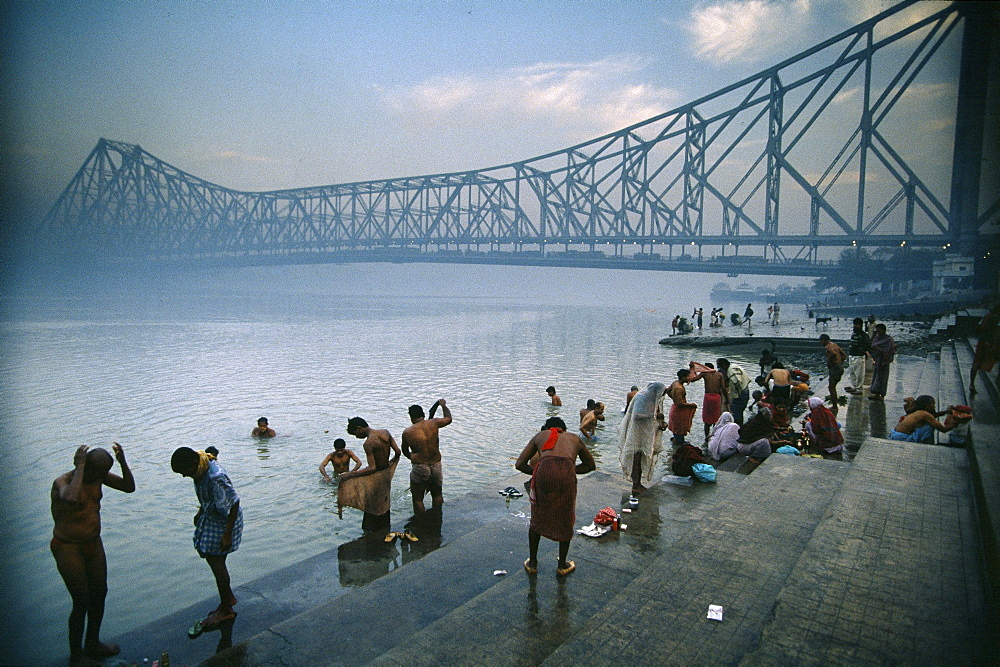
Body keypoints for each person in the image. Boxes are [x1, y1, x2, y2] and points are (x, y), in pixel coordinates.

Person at [50, 444, 135, 664]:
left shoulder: (97, 477)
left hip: (93, 544)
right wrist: (79, 467)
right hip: (68, 546)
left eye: (102, 473)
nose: (99, 477)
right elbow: (70, 498)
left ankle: (93, 643)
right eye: (96, 472)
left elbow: (128, 487)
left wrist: (123, 461)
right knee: (81, 601)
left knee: (99, 593)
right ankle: (76, 657)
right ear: (85, 466)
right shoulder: (63, 482)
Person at [171, 446, 243, 632]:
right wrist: (200, 510)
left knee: (216, 560)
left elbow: (234, 503)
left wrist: (227, 535)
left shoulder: (215, 476)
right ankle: (228, 597)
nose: (184, 476)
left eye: (184, 472)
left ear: (193, 463)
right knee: (208, 553)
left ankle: (227, 609)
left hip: (227, 520)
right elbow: (208, 497)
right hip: (213, 515)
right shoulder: (200, 469)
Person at [516, 417, 596, 577]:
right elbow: (590, 465)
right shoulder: (573, 438)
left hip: (543, 472)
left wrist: (538, 473)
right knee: (566, 515)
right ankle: (562, 565)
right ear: (564, 429)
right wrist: (570, 471)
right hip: (567, 472)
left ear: (547, 428)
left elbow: (520, 464)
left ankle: (532, 563)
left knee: (538, 515)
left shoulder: (541, 435)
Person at [339, 417, 402, 528]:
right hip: (386, 474)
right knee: (384, 502)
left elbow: (372, 468)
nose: (357, 437)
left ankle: (370, 531)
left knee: (372, 507)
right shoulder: (385, 432)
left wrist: (350, 474)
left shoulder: (368, 443)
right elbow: (398, 452)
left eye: (355, 434)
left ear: (359, 428)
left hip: (376, 477)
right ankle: (385, 527)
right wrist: (391, 462)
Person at [401, 399, 452, 513]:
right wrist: (443, 406)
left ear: (411, 417)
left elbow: (404, 450)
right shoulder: (434, 423)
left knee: (418, 499)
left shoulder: (408, 432)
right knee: (437, 495)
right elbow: (449, 419)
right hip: (436, 464)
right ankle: (437, 516)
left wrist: (412, 457)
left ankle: (420, 523)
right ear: (423, 415)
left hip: (420, 466)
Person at [619, 382, 668, 494]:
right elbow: (637, 416)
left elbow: (656, 414)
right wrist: (653, 416)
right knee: (636, 458)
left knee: (643, 457)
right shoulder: (642, 397)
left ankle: (638, 484)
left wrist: (661, 424)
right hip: (636, 433)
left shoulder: (653, 398)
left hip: (646, 433)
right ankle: (635, 486)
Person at [889, 395, 956, 443]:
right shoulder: (925, 414)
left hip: (895, 435)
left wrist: (946, 412)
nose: (934, 406)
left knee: (929, 422)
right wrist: (955, 424)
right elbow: (943, 429)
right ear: (927, 406)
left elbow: (933, 416)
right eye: (933, 404)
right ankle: (927, 444)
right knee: (929, 426)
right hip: (902, 438)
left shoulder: (918, 412)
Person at [690, 361, 729, 442]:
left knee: (707, 418)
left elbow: (693, 379)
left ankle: (706, 437)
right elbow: (723, 388)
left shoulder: (704, 373)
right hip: (717, 397)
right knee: (716, 418)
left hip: (708, 397)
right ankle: (715, 436)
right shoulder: (719, 374)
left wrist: (692, 369)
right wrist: (727, 399)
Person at [970, 306, 999, 396]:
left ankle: (971, 384)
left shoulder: (986, 316)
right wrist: (994, 345)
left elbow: (978, 328)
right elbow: (998, 333)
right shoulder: (997, 319)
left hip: (982, 341)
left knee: (977, 362)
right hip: (991, 343)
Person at [666, 369, 697, 446]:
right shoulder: (679, 388)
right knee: (679, 429)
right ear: (683, 377)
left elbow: (667, 391)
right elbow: (679, 403)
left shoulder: (675, 383)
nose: (689, 378)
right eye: (687, 377)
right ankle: (679, 446)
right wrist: (691, 405)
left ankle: (676, 442)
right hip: (678, 411)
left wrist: (674, 399)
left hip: (675, 409)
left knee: (677, 429)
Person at [717, 358, 751, 425]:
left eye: (721, 367)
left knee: (735, 411)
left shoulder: (731, 371)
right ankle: (740, 427)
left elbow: (737, 382)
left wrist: (737, 394)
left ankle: (736, 428)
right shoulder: (734, 366)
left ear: (724, 365)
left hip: (741, 393)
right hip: (745, 389)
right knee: (739, 411)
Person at [819, 333, 847, 412]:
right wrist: (840, 362)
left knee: (831, 387)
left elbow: (833, 353)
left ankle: (834, 406)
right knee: (833, 386)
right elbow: (844, 355)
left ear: (824, 340)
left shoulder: (828, 347)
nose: (821, 343)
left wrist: (830, 362)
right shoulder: (834, 345)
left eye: (821, 341)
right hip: (840, 367)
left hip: (835, 368)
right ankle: (834, 404)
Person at [868, 323, 896, 400]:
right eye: (877, 331)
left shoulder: (888, 339)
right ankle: (876, 393)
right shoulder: (876, 338)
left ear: (884, 330)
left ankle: (882, 395)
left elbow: (890, 350)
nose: (878, 332)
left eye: (880, 331)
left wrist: (881, 352)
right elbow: (872, 346)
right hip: (878, 360)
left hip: (884, 361)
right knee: (876, 376)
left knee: (883, 378)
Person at [845, 318, 872, 395]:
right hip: (852, 355)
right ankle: (854, 386)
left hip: (859, 356)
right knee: (852, 372)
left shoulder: (863, 335)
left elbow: (868, 346)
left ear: (860, 325)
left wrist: (866, 353)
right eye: (854, 324)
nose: (855, 326)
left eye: (856, 325)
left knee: (859, 373)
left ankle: (859, 388)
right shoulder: (854, 334)